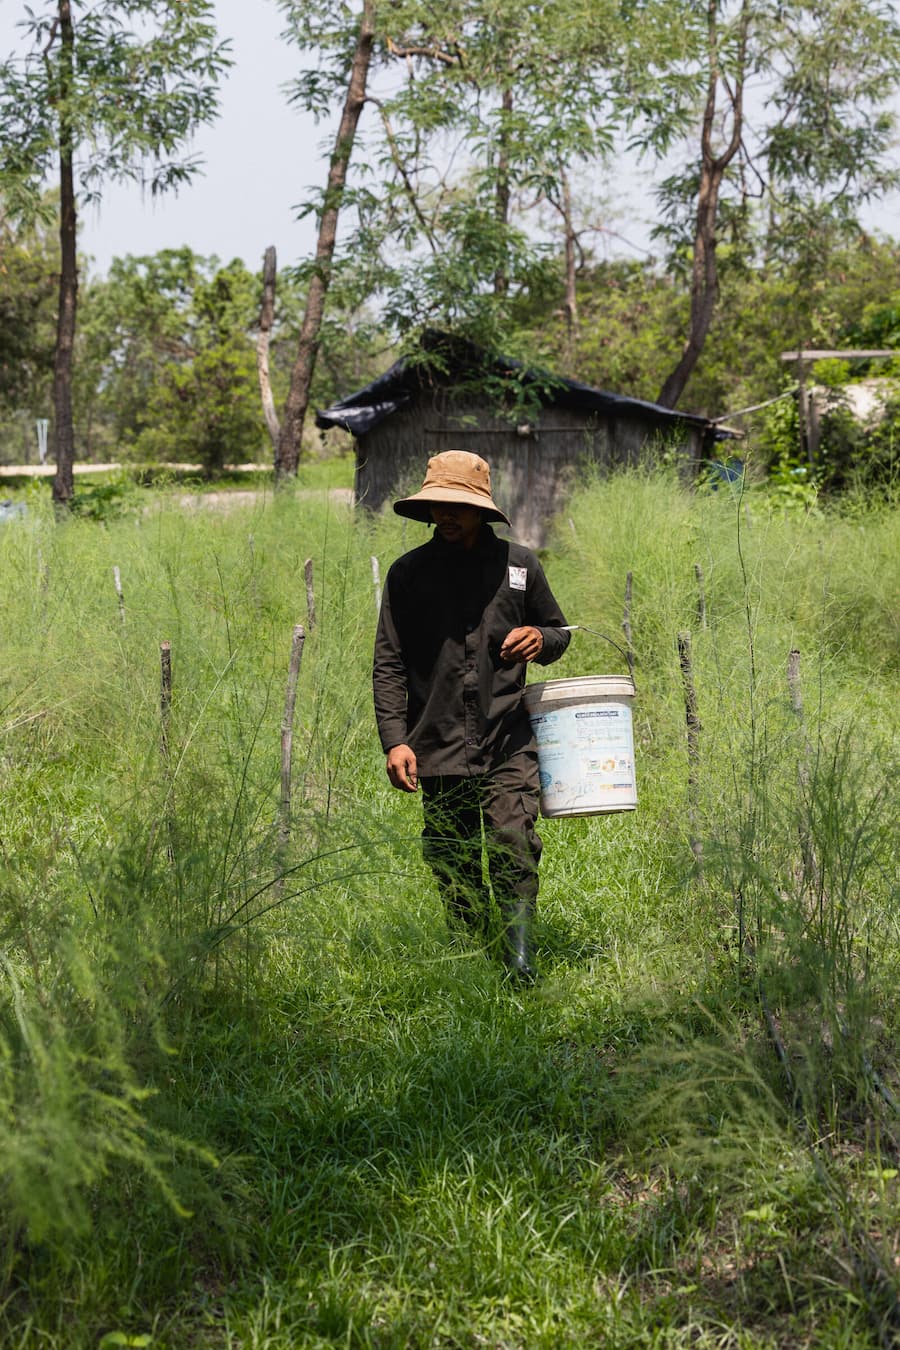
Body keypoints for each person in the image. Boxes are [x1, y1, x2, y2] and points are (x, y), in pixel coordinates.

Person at [372, 450, 570, 983]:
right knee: (451, 855)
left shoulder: (520, 566)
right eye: (438, 506)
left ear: (482, 510)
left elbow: (559, 632)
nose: (447, 517)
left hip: (507, 734)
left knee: (513, 841)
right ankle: (469, 948)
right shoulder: (407, 575)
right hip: (433, 740)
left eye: (458, 507)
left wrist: (542, 639)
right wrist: (395, 739)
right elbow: (388, 661)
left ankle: (518, 959)